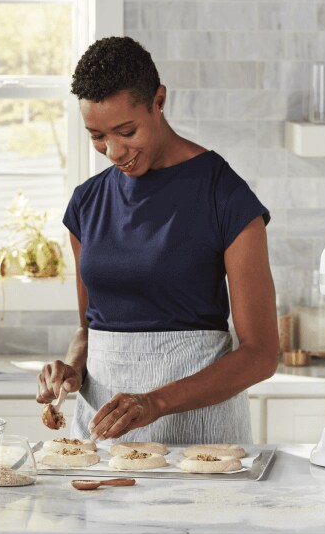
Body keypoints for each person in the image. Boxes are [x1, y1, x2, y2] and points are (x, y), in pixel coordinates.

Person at [36, 36, 278, 445]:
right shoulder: (86, 203)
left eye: (126, 131)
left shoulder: (224, 194)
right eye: (97, 136)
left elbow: (261, 355)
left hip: (201, 438)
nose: (113, 150)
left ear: (159, 100)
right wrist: (72, 370)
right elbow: (90, 328)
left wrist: (155, 403)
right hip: (102, 435)